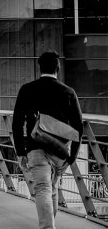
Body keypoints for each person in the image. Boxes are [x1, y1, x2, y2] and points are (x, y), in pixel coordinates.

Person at [13, 51, 83, 229]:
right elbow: (78, 127)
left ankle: (47, 227)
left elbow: (17, 123)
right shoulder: (68, 92)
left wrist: (21, 151)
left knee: (43, 188)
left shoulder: (27, 89)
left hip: (35, 147)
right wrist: (72, 156)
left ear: (40, 68)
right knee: (52, 188)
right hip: (60, 149)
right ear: (57, 67)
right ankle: (49, 225)